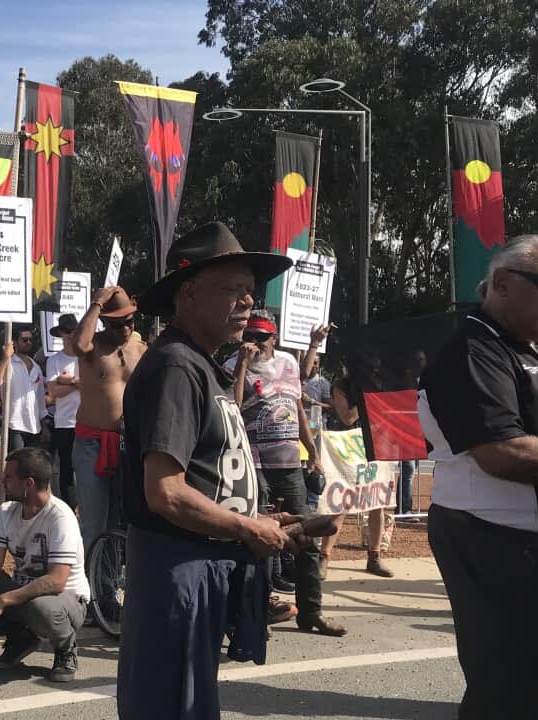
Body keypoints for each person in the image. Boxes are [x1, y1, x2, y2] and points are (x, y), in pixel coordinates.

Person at [118, 221, 304, 720]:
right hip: (178, 570)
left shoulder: (201, 365)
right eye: (232, 290)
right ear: (189, 295)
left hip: (198, 567)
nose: (247, 302)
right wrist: (247, 527)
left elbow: (204, 473)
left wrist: (260, 520)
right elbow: (166, 493)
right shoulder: (177, 366)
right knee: (171, 705)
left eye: (250, 291)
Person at [420, 235, 538, 719]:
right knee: (511, 690)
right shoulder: (473, 348)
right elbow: (501, 451)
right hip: (497, 544)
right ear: (504, 284)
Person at [225, 311, 345, 637]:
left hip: (290, 463)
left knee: (305, 536)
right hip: (255, 464)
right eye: (250, 336)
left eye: (262, 338)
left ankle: (311, 612)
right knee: (260, 539)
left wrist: (313, 452)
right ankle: (258, 612)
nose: (256, 343)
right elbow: (232, 408)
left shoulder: (288, 365)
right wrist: (242, 367)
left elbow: (297, 410)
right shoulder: (233, 365)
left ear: (274, 338)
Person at [0, 447, 88, 683]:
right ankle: (21, 639)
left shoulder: (61, 517)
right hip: (24, 594)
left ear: (28, 483)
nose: (3, 483)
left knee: (42, 608)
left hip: (66, 600)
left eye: (9, 477)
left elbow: (56, 580)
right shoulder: (5, 512)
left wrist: (3, 600)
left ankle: (66, 646)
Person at [73, 286, 146, 553]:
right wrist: (97, 303)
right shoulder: (93, 347)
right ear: (104, 321)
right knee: (93, 522)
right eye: (116, 324)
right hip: (92, 443)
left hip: (128, 445)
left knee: (120, 521)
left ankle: (108, 585)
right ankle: (89, 588)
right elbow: (78, 344)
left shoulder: (142, 349)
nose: (125, 329)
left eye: (129, 322)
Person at [324, 363, 393, 577]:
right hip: (347, 449)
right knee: (341, 504)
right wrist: (366, 397)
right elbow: (348, 418)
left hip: (376, 445)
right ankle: (324, 556)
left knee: (377, 503)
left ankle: (374, 556)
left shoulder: (381, 384)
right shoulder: (341, 386)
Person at [44, 314, 80, 508]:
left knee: (85, 472)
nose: (69, 335)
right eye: (66, 331)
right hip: (64, 422)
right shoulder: (54, 360)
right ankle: (69, 512)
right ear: (60, 333)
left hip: (86, 421)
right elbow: (53, 391)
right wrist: (78, 384)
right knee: (66, 472)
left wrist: (70, 380)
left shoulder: (86, 356)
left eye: (73, 331)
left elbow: (93, 385)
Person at [0, 325, 46, 451]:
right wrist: (5, 357)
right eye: (24, 340)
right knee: (18, 466)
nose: (28, 342)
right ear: (15, 342)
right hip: (14, 425)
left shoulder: (36, 367)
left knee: (32, 467)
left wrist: (44, 426)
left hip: (35, 426)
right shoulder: (8, 363)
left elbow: (40, 400)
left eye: (30, 340)